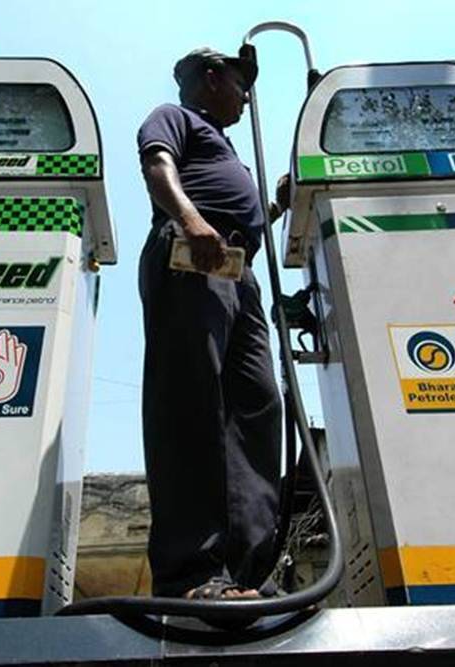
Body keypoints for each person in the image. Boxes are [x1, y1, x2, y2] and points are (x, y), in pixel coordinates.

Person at [136, 47, 288, 600]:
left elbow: (242, 211)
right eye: (241, 85)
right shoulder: (174, 118)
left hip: (237, 270)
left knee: (257, 406)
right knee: (193, 400)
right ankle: (192, 573)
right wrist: (190, 219)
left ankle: (244, 574)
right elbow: (157, 167)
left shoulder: (228, 148)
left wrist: (275, 207)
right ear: (212, 77)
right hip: (192, 254)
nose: (246, 98)